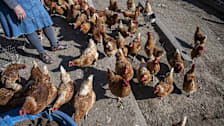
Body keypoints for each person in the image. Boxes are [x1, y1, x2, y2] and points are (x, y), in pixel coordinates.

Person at [0, 0, 68, 64]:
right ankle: (42, 53)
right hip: (17, 3)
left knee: (44, 19)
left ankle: (54, 45)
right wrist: (15, 6)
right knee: (28, 27)